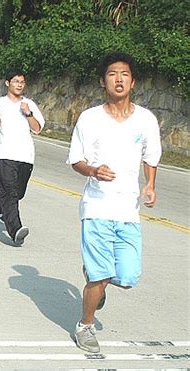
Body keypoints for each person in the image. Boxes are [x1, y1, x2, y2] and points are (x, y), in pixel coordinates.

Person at [67, 52, 162, 353]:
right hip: (96, 207)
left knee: (128, 277)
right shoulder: (89, 118)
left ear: (132, 82)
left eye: (124, 74)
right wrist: (93, 171)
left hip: (128, 211)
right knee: (101, 274)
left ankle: (97, 282)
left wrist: (150, 185)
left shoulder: (146, 119)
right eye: (112, 74)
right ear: (102, 81)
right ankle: (85, 325)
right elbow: (75, 160)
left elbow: (151, 156)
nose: (118, 79)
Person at [0, 69, 45, 246]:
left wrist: (28, 114)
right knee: (9, 194)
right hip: (4, 153)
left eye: (22, 82)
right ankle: (16, 229)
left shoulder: (29, 104)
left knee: (18, 193)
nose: (19, 85)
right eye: (16, 81)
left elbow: (37, 128)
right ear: (8, 83)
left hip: (25, 156)